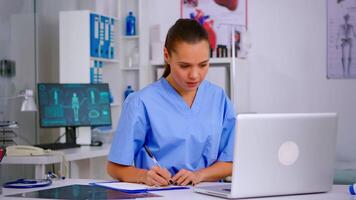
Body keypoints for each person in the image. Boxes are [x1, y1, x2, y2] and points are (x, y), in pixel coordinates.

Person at [107, 18, 236, 187]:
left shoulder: (218, 98)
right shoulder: (140, 102)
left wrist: (200, 175)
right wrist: (144, 176)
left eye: (203, 65)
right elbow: (115, 167)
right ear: (167, 56)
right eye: (185, 66)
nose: (195, 75)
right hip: (160, 194)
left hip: (209, 194)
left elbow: (232, 162)